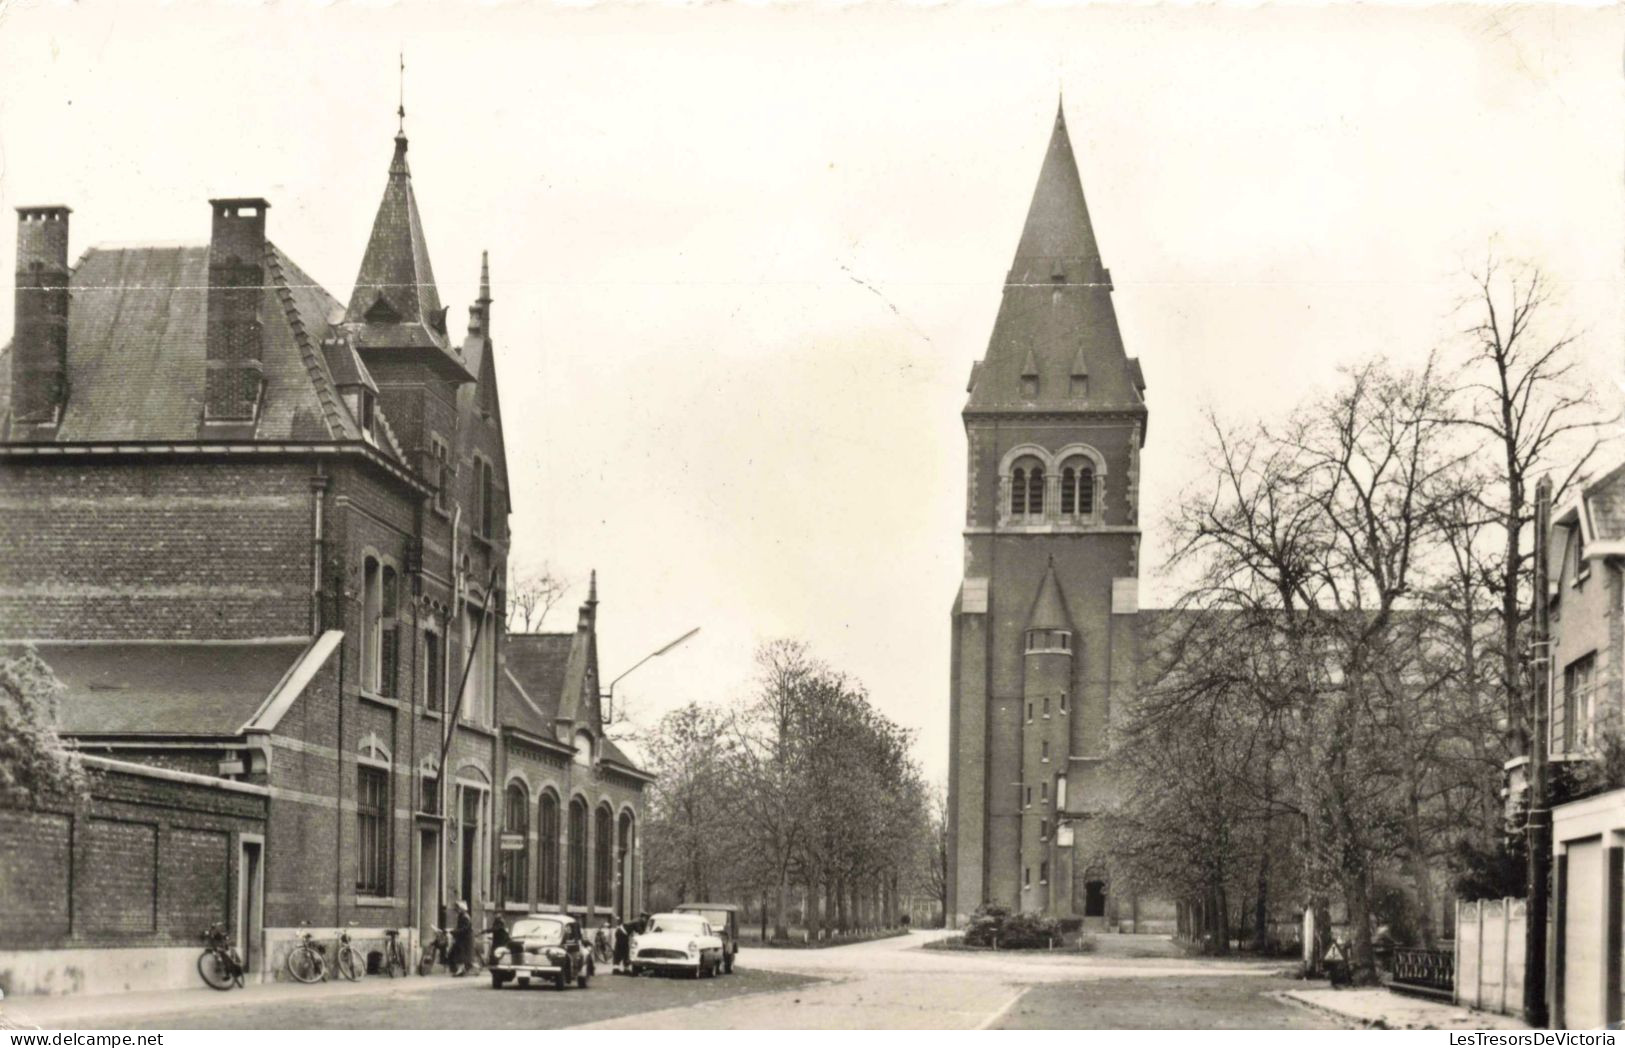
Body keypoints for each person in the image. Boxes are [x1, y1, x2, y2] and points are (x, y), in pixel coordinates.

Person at [450, 901, 474, 976]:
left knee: (461, 954)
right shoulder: (462, 916)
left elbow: (464, 928)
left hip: (465, 939)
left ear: (462, 909)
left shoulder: (465, 917)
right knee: (459, 953)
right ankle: (461, 969)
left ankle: (461, 970)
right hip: (462, 938)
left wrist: (454, 931)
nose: (457, 910)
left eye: (458, 908)